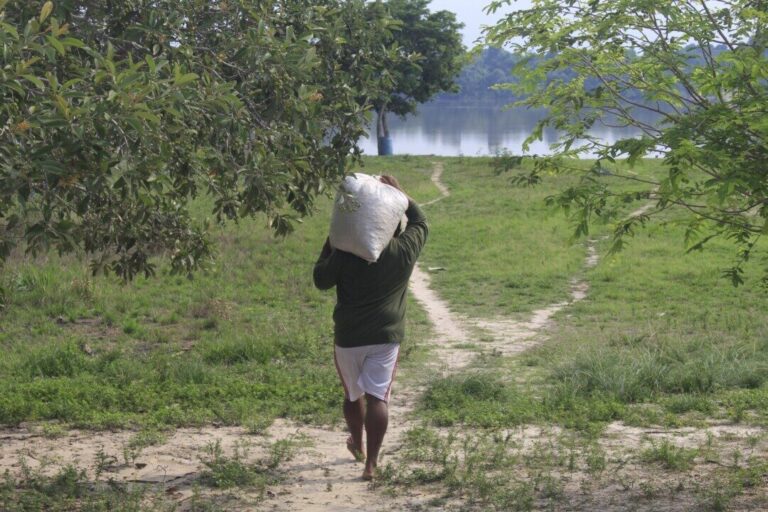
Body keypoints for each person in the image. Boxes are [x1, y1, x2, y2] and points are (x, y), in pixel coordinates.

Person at [313, 175, 428, 481]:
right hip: (385, 338)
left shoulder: (345, 254)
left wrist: (333, 241)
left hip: (348, 337)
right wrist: (402, 196)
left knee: (353, 396)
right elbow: (421, 222)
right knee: (378, 398)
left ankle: (357, 444)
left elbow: (320, 280)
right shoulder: (403, 252)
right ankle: (372, 464)